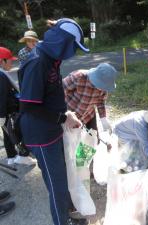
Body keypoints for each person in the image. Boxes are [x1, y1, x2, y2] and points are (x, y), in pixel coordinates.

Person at [18, 18, 90, 225]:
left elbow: (50, 96)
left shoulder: (51, 58)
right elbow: (29, 105)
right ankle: (62, 221)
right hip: (40, 134)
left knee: (64, 175)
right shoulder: (37, 61)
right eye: (73, 47)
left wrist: (66, 113)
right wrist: (63, 117)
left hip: (52, 128)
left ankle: (68, 214)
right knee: (56, 184)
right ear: (63, 42)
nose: (74, 53)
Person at [0, 47, 36, 166]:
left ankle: (11, 156)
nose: (12, 62)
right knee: (19, 132)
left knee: (8, 132)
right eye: (10, 60)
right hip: (10, 110)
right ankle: (22, 155)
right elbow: (2, 96)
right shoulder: (1, 76)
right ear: (2, 61)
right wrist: (1, 115)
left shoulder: (2, 73)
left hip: (6, 111)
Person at [63, 63, 118, 133]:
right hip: (70, 115)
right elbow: (59, 91)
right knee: (70, 140)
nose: (101, 89)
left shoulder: (104, 87)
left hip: (88, 115)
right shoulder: (78, 77)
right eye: (100, 85)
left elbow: (100, 102)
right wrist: (65, 113)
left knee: (92, 139)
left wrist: (103, 118)